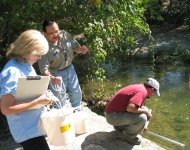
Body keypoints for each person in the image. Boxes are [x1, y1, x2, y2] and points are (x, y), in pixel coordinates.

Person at [0, 30, 54, 150]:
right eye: (37, 54)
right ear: (26, 49)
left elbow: (27, 93)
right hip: (27, 131)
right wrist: (37, 102)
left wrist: (44, 95)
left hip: (35, 126)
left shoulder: (26, 64)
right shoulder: (12, 72)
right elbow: (6, 109)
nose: (40, 58)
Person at [38, 20, 88, 111]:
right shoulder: (43, 47)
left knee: (76, 92)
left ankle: (77, 112)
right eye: (51, 33)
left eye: (57, 31)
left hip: (70, 68)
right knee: (59, 100)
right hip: (55, 74)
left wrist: (81, 50)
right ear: (44, 33)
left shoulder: (65, 35)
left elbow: (75, 48)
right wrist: (52, 78)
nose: (55, 34)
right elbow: (44, 70)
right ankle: (61, 119)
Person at [104, 78, 160, 145]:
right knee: (142, 118)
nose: (153, 95)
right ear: (152, 89)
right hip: (112, 116)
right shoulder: (142, 92)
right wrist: (146, 112)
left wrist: (145, 110)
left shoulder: (140, 87)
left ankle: (119, 127)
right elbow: (130, 108)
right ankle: (128, 137)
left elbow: (131, 107)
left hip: (112, 113)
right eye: (154, 93)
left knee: (144, 108)